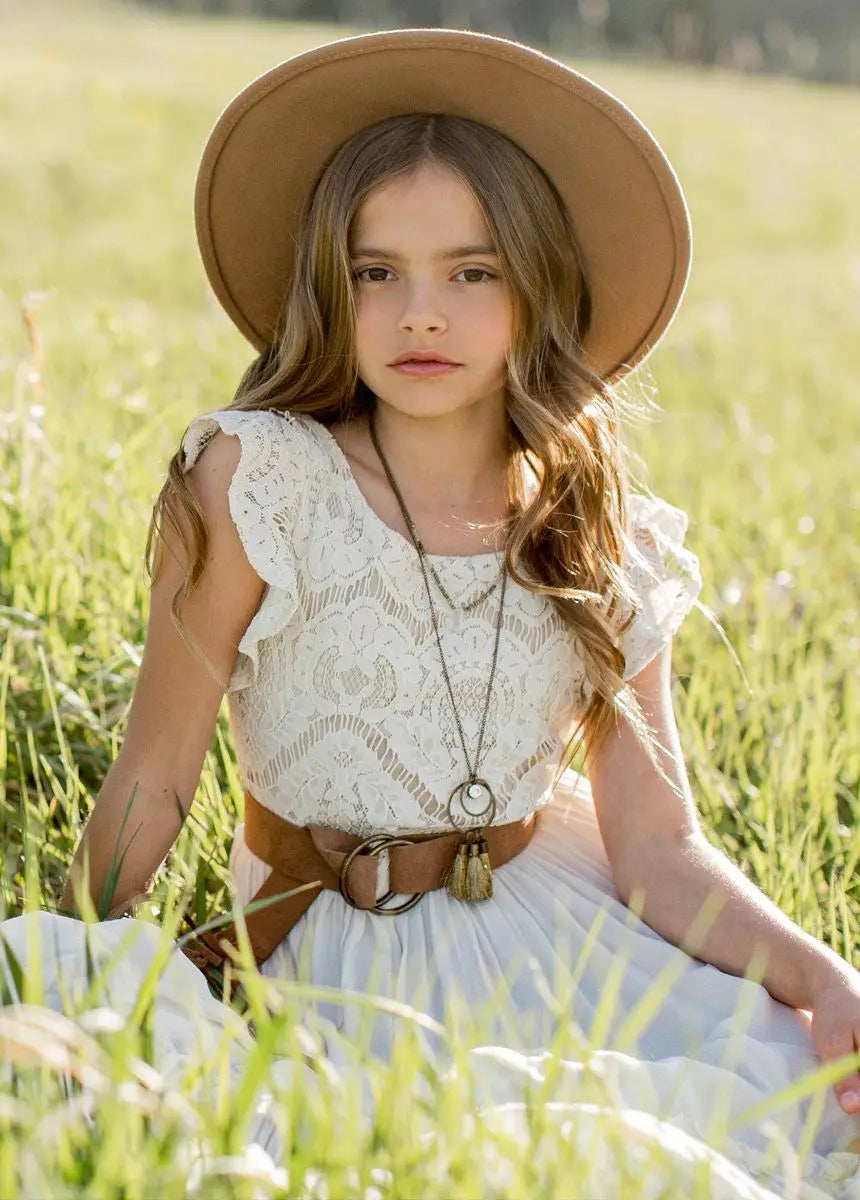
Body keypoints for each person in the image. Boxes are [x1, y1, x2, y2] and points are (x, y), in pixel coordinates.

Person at [2, 27, 858, 1196]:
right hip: (333, 939)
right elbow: (154, 783)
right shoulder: (261, 482)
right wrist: (62, 970)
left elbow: (659, 849)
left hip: (560, 930)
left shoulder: (596, 521)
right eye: (375, 272)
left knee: (699, 1145)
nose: (419, 315)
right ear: (326, 281)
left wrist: (821, 980)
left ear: (537, 284)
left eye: (471, 272)